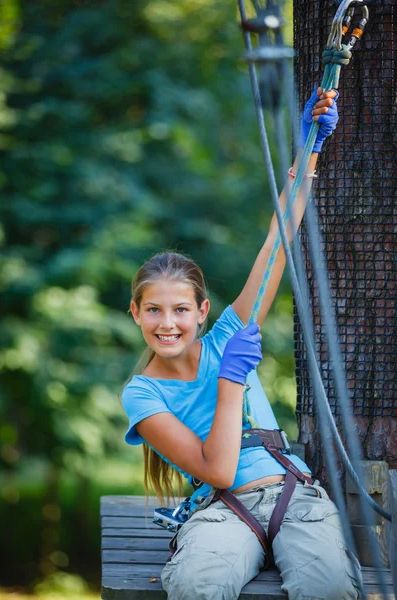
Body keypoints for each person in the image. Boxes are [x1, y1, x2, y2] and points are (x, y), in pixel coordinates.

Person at [122, 88, 362, 600]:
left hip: (294, 497)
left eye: (181, 309)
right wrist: (231, 380)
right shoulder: (142, 395)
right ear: (136, 314)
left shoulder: (229, 333)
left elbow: (278, 243)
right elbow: (220, 469)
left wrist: (309, 151)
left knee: (327, 589)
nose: (168, 324)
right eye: (155, 310)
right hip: (222, 508)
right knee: (196, 588)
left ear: (203, 311)